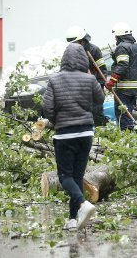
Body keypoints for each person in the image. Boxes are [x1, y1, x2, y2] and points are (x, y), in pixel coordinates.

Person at [43, 43, 103, 230]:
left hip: (65, 134)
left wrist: (57, 121)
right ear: (83, 59)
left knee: (64, 176)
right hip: (86, 133)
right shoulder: (90, 79)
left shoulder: (54, 80)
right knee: (77, 176)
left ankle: (83, 204)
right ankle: (73, 219)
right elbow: (99, 100)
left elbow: (47, 109)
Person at [105, 22, 137, 131]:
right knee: (128, 113)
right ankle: (132, 138)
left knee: (123, 115)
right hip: (133, 88)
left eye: (115, 36)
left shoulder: (122, 47)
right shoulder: (135, 46)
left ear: (119, 36)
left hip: (124, 89)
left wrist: (112, 80)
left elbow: (122, 65)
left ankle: (128, 137)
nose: (115, 39)